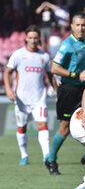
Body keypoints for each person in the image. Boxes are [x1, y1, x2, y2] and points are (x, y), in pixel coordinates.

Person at [45, 12, 85, 175]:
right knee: (65, 127)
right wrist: (75, 75)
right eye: (77, 25)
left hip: (82, 87)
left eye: (83, 25)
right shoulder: (67, 44)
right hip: (68, 89)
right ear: (72, 26)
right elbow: (54, 68)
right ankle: (51, 159)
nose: (81, 28)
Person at [3, 25, 57, 165]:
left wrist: (57, 91)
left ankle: (46, 156)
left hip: (39, 98)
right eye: (30, 38)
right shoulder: (18, 55)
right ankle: (24, 155)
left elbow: (50, 75)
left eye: (35, 38)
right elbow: (7, 72)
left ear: (39, 39)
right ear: (26, 39)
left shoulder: (44, 56)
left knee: (43, 125)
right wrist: (9, 90)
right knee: (22, 127)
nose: (33, 40)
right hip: (21, 99)